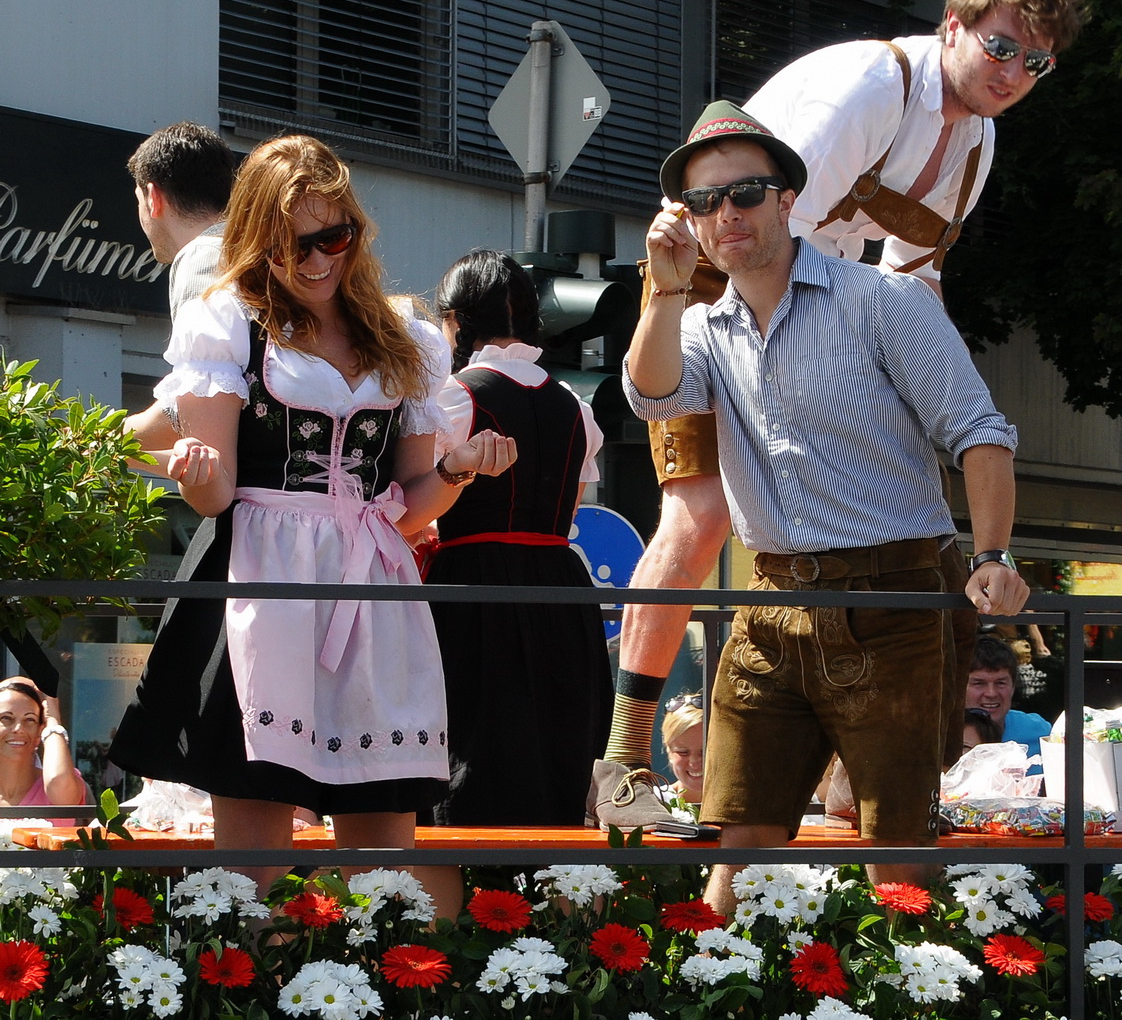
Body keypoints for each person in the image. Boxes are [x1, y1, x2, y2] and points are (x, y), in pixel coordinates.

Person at [596, 0, 1084, 825]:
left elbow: (914, 283)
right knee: (704, 514)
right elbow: (761, 230)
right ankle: (625, 758)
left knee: (909, 506)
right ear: (954, 23)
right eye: (1003, 46)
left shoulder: (975, 147)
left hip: (825, 321)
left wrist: (924, 405)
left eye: (1038, 63)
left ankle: (861, 778)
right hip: (711, 294)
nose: (1015, 72)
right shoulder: (870, 86)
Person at [623, 102, 1030, 909]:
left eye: (745, 193)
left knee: (895, 843)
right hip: (771, 603)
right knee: (736, 836)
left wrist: (992, 558)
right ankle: (722, 993)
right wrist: (663, 295)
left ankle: (915, 993)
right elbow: (649, 394)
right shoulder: (703, 328)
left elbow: (980, 432)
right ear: (691, 224)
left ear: (787, 199)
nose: (726, 213)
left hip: (894, 597)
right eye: (705, 202)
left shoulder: (883, 300)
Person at [108, 135, 516, 888]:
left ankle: (377, 995)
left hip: (372, 594)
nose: (320, 260)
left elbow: (406, 509)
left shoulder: (407, 337)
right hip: (261, 585)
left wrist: (456, 470)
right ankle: (247, 992)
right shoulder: (228, 321)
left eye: (336, 236)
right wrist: (194, 476)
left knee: (382, 855)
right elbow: (217, 492)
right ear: (259, 242)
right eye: (295, 245)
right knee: (249, 863)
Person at [424, 248, 609, 828]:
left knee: (468, 756)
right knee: (557, 758)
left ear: (456, 319)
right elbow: (570, 507)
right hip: (561, 590)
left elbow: (418, 507)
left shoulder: (455, 396)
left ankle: (451, 915)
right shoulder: (576, 407)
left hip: (472, 585)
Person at [122, 122, 234, 454]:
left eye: (139, 199)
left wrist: (94, 438)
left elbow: (197, 407)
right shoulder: (251, 249)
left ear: (153, 198)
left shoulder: (203, 256)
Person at [0, 678, 91, 827]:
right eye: (6, 718)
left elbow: (57, 780)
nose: (18, 729)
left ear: (40, 732)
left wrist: (53, 719)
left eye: (30, 720)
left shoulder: (57, 787)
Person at [964, 635, 1051, 761]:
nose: (991, 693)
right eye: (979, 683)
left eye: (1000, 683)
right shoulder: (942, 736)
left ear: (1013, 686)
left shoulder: (1039, 732)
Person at [659, 695, 704, 807]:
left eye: (704, 752)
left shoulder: (749, 806)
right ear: (668, 750)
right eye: (683, 752)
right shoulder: (652, 803)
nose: (694, 762)